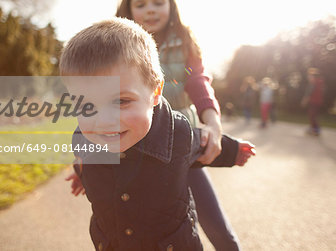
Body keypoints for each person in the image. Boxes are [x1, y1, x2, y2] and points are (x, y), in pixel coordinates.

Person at [60, 18, 255, 250]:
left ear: (155, 92)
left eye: (121, 101)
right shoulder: (83, 137)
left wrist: (233, 151)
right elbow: (84, 158)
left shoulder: (176, 134)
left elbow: (201, 143)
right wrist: (80, 171)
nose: (104, 120)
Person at [115, 0, 248, 250]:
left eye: (157, 2)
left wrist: (213, 122)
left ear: (170, 5)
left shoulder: (184, 39)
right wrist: (85, 164)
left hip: (182, 145)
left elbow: (198, 81)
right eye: (140, 4)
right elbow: (104, 100)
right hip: (139, 149)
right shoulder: (119, 46)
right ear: (128, 11)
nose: (150, 9)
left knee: (219, 231)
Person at [301, 68, 324, 136]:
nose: (308, 77)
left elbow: (309, 93)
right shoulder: (319, 82)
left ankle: (315, 129)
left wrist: (304, 101)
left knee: (312, 115)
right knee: (313, 115)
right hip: (318, 101)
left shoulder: (313, 83)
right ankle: (314, 128)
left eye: (309, 76)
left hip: (313, 101)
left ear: (312, 76)